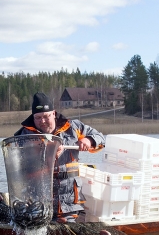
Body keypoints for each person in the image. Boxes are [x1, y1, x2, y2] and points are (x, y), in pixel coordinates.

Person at [14, 92, 105, 222]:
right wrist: (49, 155)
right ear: (33, 117)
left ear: (54, 113)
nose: (42, 121)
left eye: (46, 116)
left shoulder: (73, 127)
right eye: (38, 117)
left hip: (69, 203)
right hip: (37, 203)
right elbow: (20, 167)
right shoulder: (23, 136)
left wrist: (89, 140)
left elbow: (101, 138)